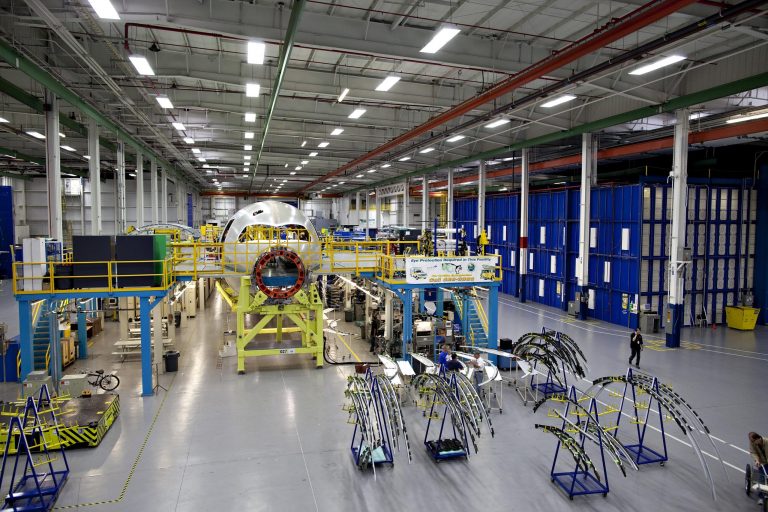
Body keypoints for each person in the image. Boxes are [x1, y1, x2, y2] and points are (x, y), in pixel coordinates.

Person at [749, 432, 768, 503]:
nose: (753, 443)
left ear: (758, 438)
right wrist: (757, 460)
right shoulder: (753, 443)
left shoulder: (766, 442)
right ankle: (761, 497)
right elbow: (753, 452)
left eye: (754, 441)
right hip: (762, 462)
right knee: (762, 477)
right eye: (751, 441)